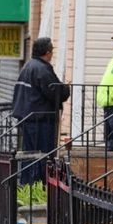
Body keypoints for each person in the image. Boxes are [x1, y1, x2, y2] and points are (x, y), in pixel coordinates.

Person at [12, 37, 70, 185]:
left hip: (27, 118)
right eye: (51, 51)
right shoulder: (42, 69)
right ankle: (39, 187)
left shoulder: (28, 66)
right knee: (43, 156)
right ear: (47, 52)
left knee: (29, 155)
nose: (52, 55)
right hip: (41, 120)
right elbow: (57, 92)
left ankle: (27, 186)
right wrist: (66, 88)